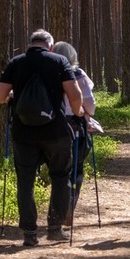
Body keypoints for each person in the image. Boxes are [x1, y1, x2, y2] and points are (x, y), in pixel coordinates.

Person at [0, 29, 84, 247]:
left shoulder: (16, 62)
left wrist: (12, 97)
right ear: (50, 46)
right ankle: (55, 229)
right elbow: (75, 93)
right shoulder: (59, 61)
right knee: (60, 176)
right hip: (56, 132)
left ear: (30, 45)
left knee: (25, 182)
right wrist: (78, 112)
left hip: (23, 133)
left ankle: (30, 234)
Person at [51, 41, 96, 225]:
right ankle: (69, 206)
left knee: (59, 170)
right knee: (77, 167)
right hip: (76, 126)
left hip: (53, 126)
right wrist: (86, 112)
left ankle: (58, 210)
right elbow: (90, 105)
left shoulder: (49, 74)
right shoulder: (78, 74)